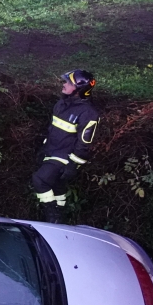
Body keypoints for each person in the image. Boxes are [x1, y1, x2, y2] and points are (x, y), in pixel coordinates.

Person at [33, 69, 99, 223]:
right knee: (57, 186)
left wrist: (73, 164)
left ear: (79, 89)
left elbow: (85, 144)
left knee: (39, 180)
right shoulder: (61, 104)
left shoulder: (88, 113)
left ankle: (53, 216)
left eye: (68, 82)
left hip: (65, 157)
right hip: (51, 151)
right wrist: (44, 148)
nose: (63, 84)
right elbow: (53, 129)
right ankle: (61, 215)